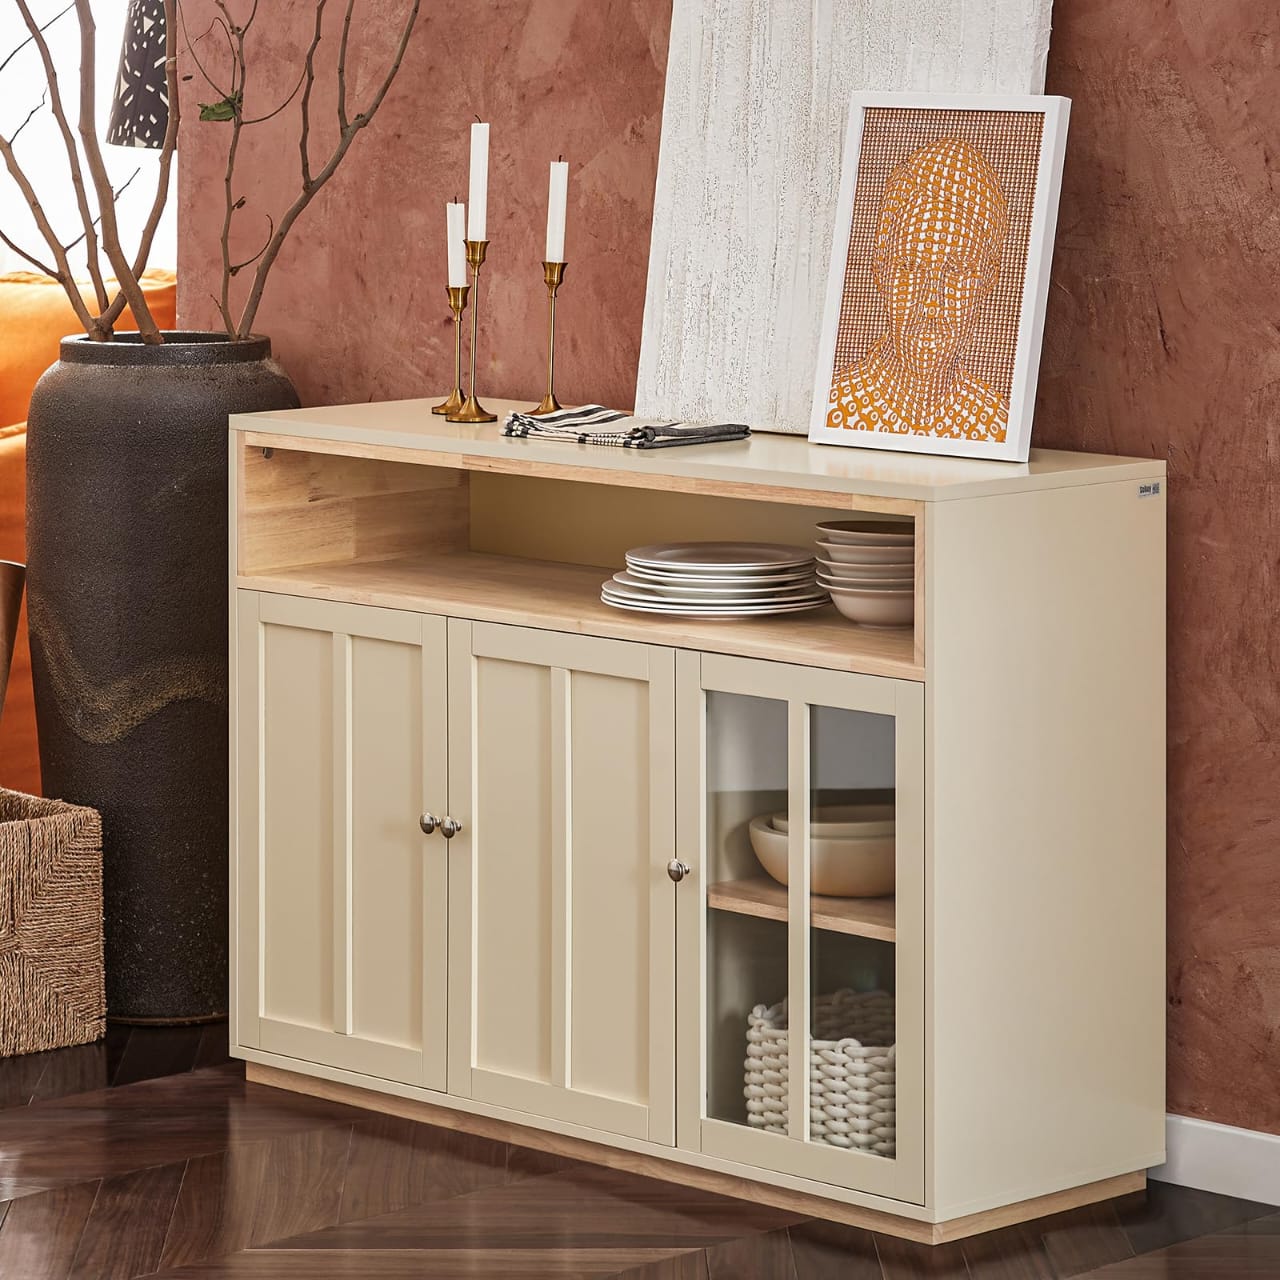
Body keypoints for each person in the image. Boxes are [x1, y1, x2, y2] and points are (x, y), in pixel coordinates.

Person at [826, 135, 1010, 442]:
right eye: (910, 267)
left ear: (987, 279)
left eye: (957, 270)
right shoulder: (836, 408)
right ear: (880, 271)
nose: (930, 304)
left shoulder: (996, 423)